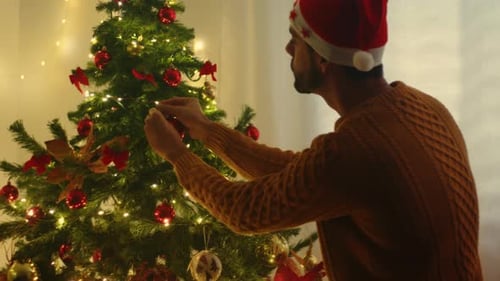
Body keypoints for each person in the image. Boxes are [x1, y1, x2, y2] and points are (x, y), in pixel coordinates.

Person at [144, 0, 483, 280]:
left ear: (323, 59)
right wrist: (206, 130)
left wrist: (176, 155)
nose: (288, 48)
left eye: (297, 39)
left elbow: (243, 210)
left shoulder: (352, 150)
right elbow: (297, 173)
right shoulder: (421, 107)